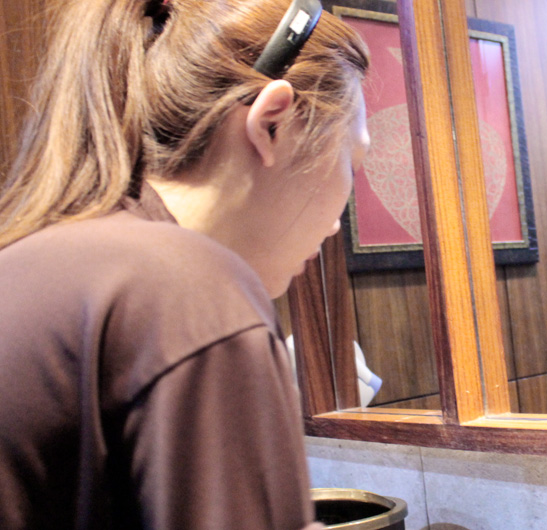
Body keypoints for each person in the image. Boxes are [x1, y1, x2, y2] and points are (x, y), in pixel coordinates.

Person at [0, 0, 369, 527]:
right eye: (352, 161)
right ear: (273, 124)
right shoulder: (187, 290)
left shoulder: (37, 257)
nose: (336, 225)